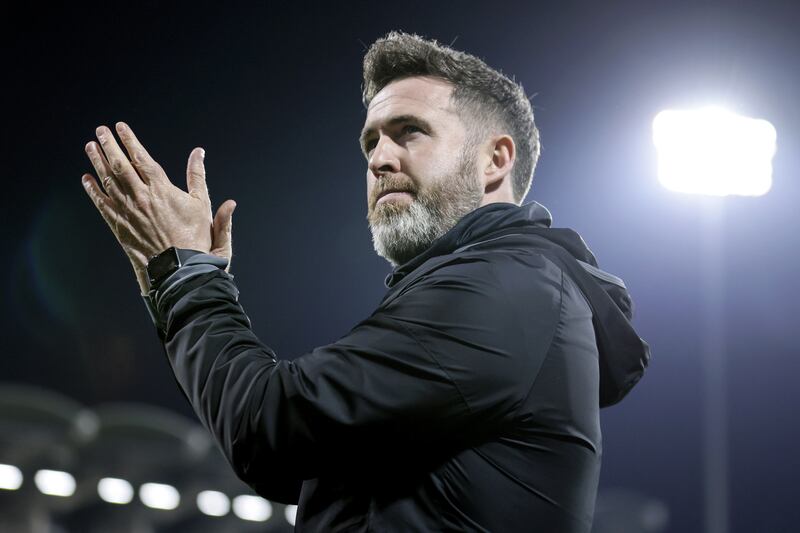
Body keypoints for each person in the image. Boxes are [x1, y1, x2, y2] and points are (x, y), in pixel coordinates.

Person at [81, 30, 649, 533]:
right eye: (370, 142)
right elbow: (302, 466)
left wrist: (187, 277)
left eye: (409, 132)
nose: (379, 159)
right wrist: (178, 281)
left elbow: (267, 427)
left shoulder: (511, 288)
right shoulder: (498, 291)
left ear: (495, 159)